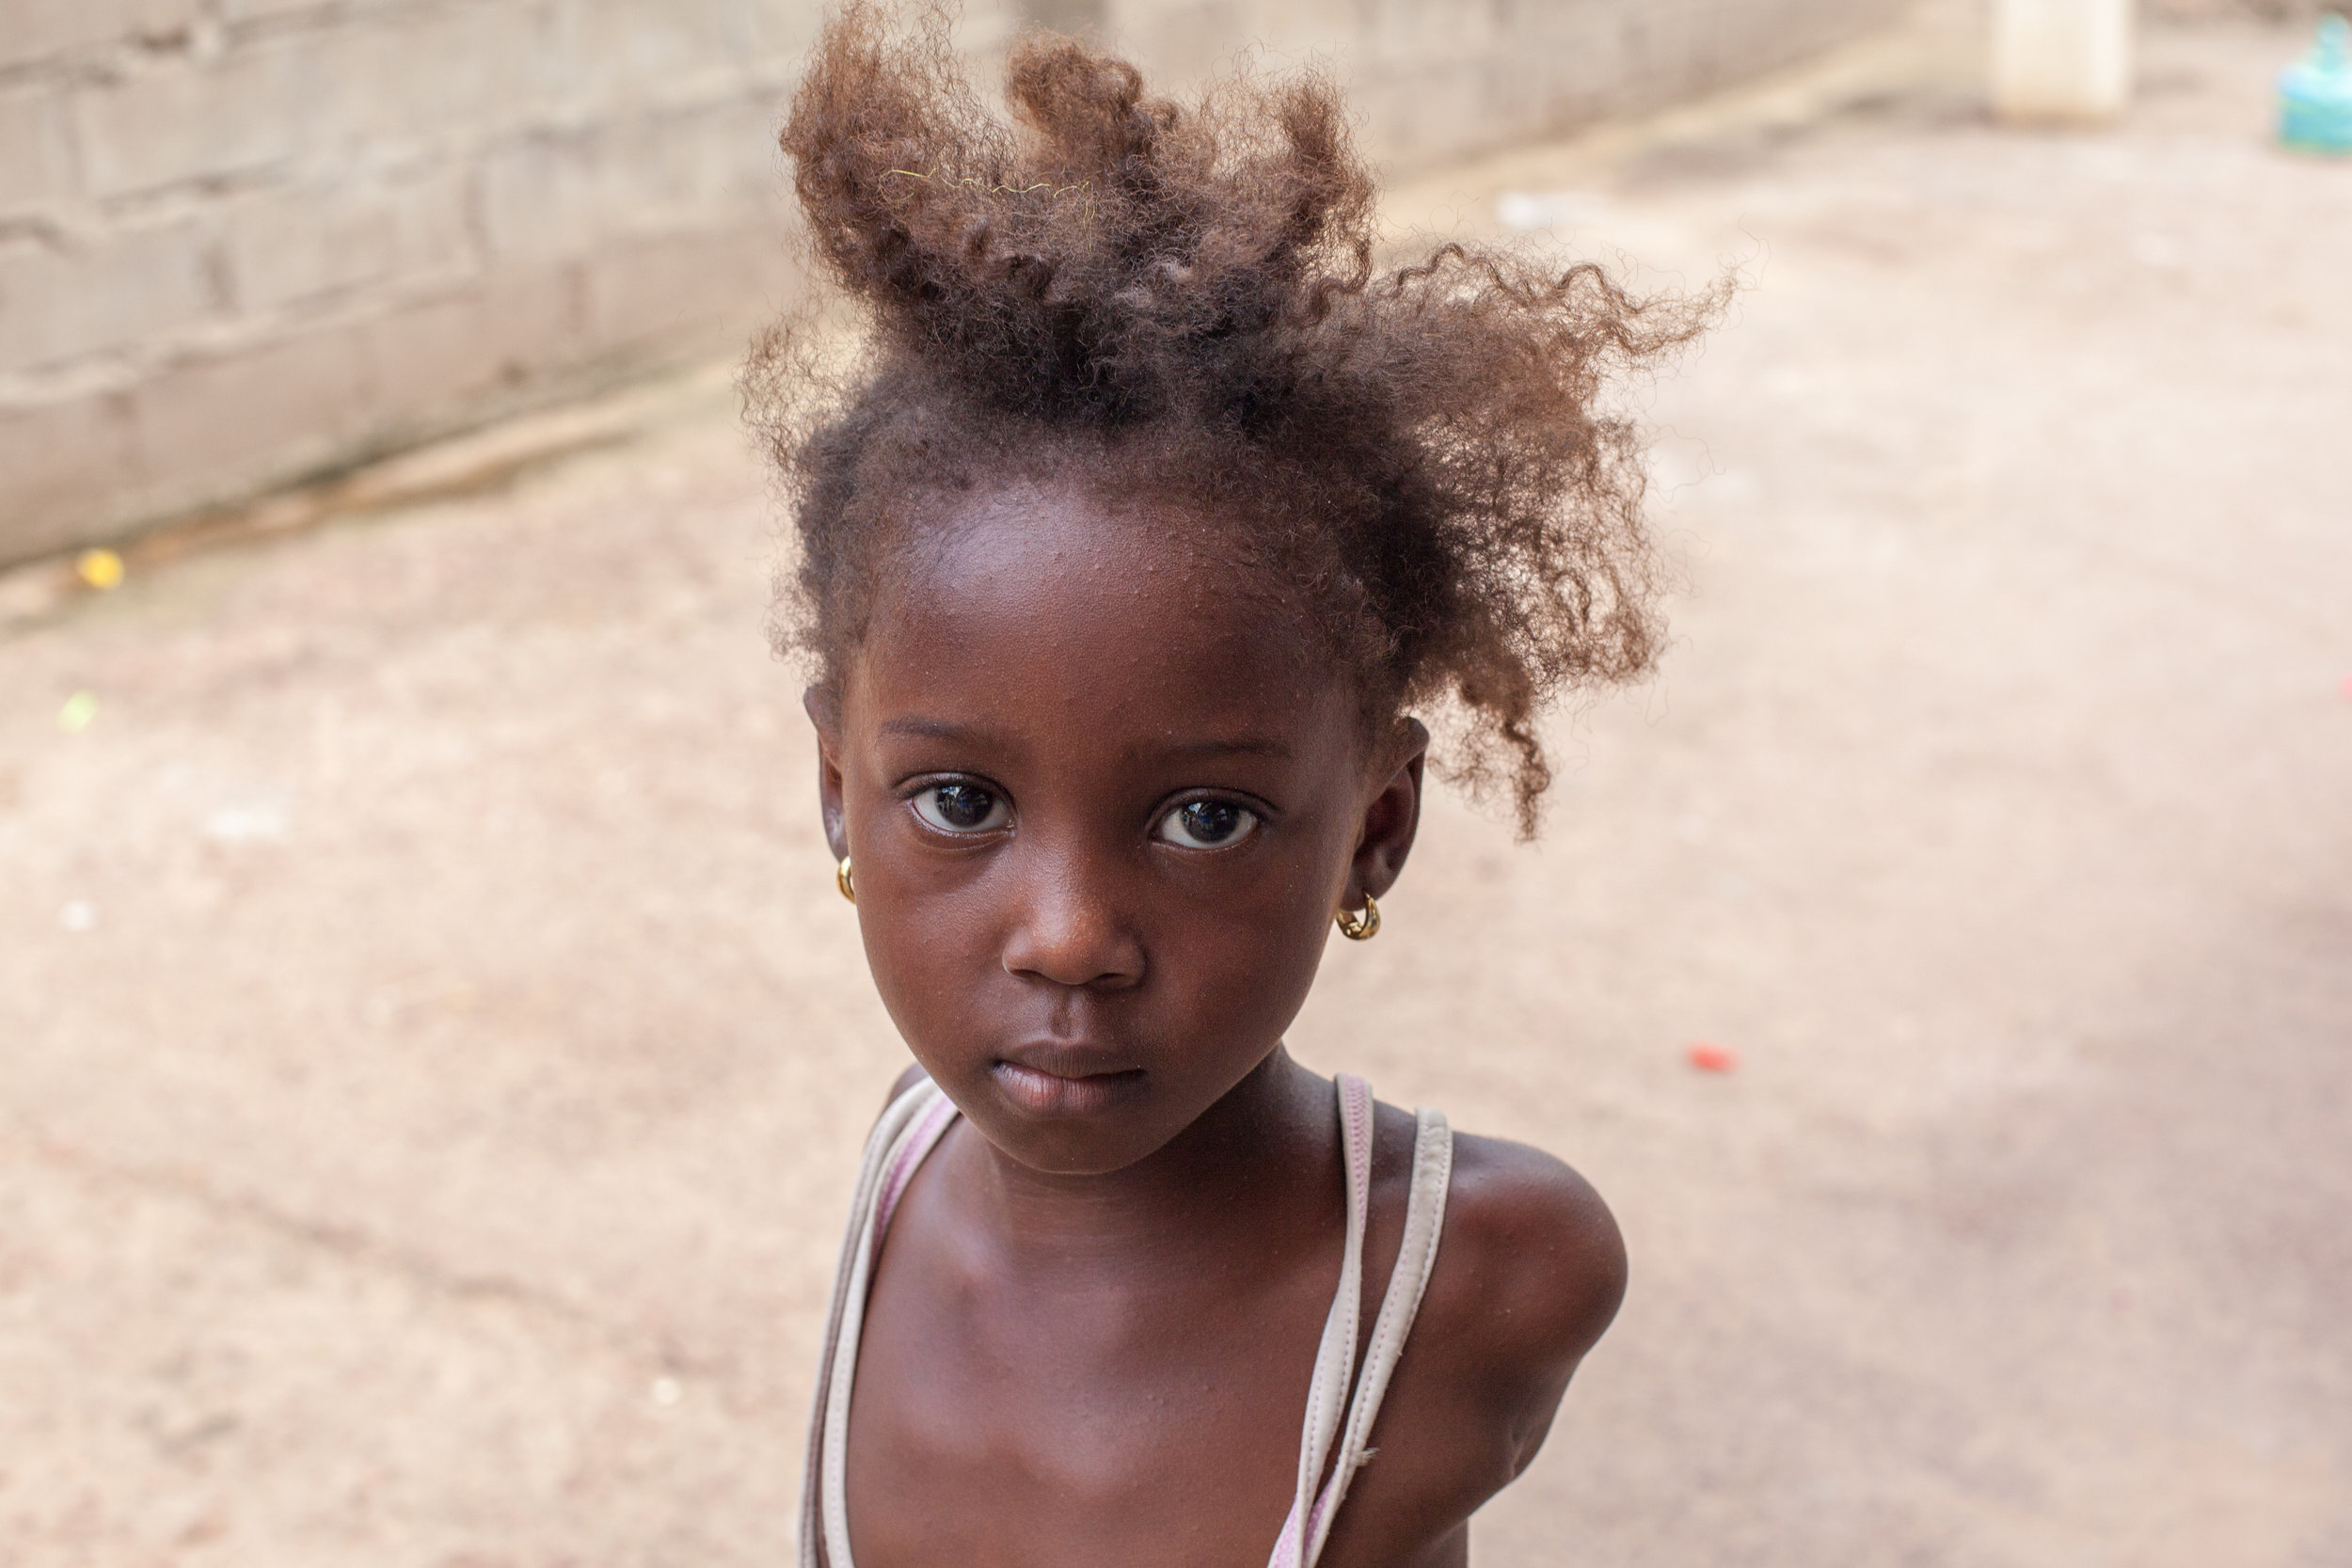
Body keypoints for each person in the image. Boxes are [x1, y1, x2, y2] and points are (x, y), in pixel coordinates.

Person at [747, 6, 1716, 1563]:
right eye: (960, 803)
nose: (1069, 937)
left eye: (1206, 818)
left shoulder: (1476, 1275)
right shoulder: (898, 1166)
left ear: (1376, 834)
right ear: (832, 793)